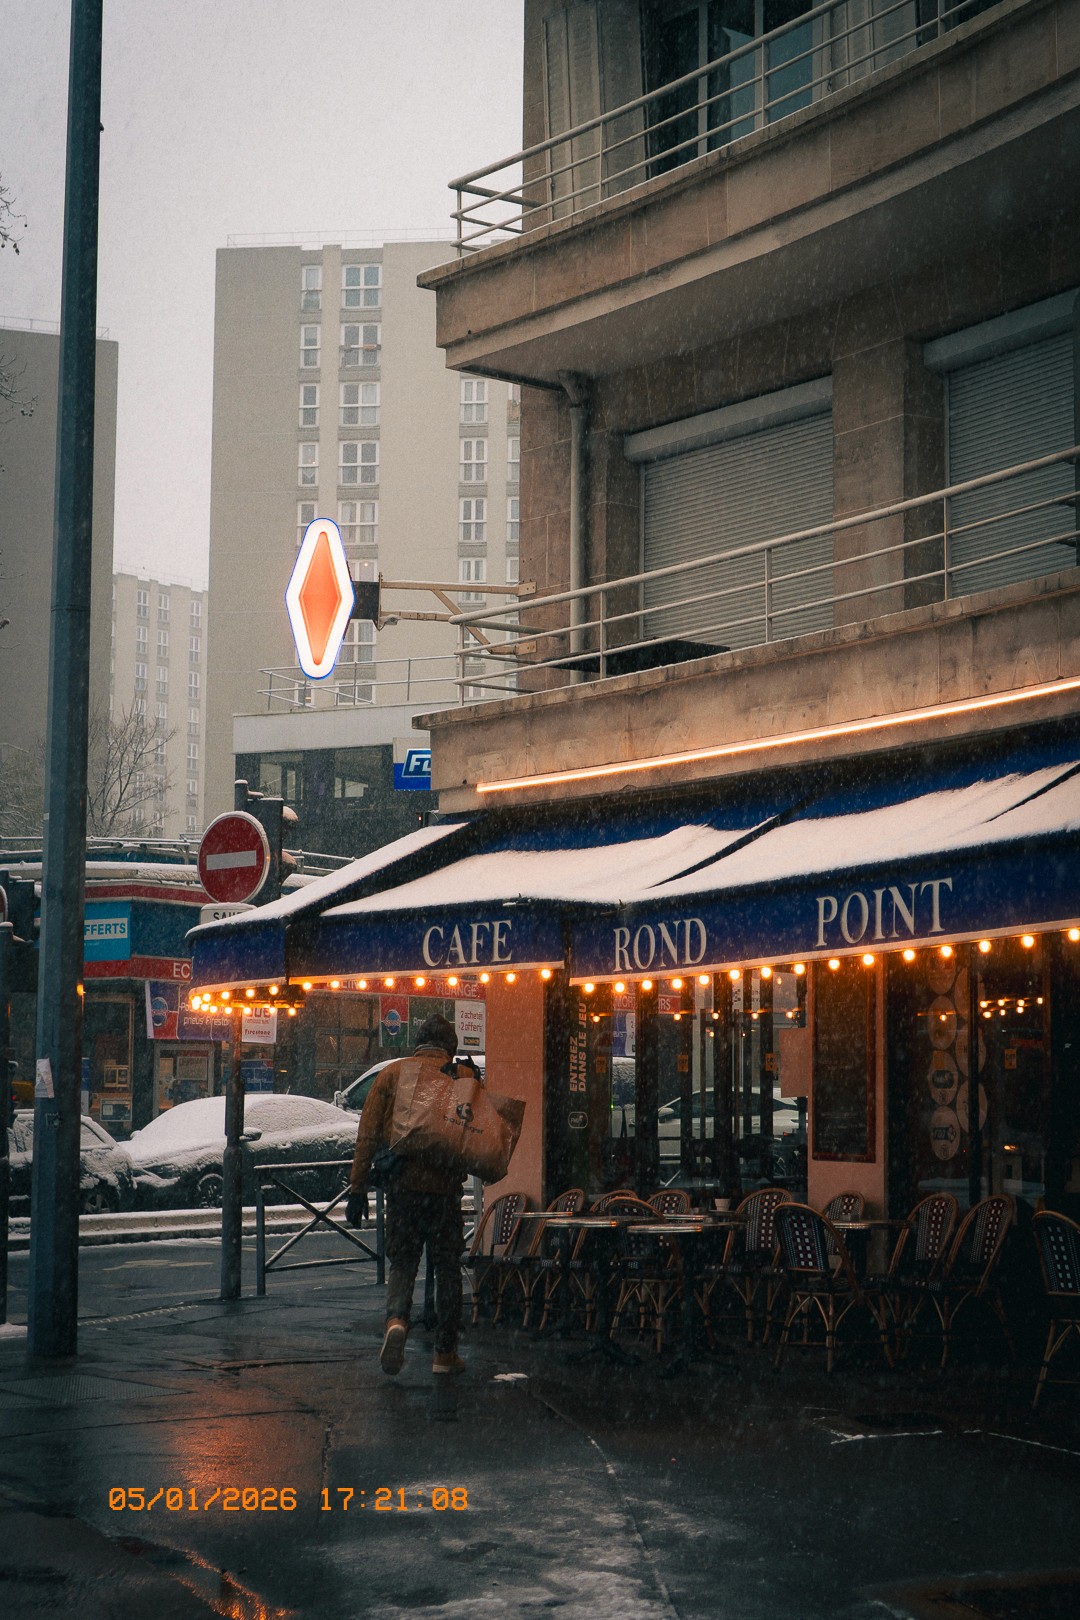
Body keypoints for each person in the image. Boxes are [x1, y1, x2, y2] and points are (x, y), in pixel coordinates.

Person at [346, 1013, 467, 1376]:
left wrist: (357, 1187)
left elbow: (367, 1135)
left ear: (418, 1041)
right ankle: (445, 1354)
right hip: (445, 1192)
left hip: (403, 1190)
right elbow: (476, 1135)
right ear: (450, 1045)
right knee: (447, 1270)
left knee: (403, 1262)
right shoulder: (461, 1076)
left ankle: (397, 1321)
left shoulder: (392, 1075)